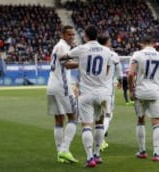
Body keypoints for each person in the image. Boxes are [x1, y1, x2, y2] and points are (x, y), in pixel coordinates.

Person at [61, 25, 112, 168]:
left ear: (85, 36)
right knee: (100, 123)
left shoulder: (82, 48)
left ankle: (90, 158)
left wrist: (77, 63)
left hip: (86, 93)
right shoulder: (107, 51)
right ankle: (97, 154)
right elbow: (107, 70)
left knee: (86, 126)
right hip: (102, 93)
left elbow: (64, 58)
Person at [128, 35, 159, 161]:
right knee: (156, 122)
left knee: (140, 120)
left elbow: (130, 74)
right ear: (153, 44)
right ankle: (156, 154)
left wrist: (131, 90)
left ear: (142, 43)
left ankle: (142, 151)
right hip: (155, 92)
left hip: (141, 91)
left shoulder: (137, 55)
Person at [46, 25, 79, 164]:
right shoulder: (62, 46)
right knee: (74, 117)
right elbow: (66, 64)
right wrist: (82, 63)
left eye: (73, 35)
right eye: (69, 35)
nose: (71, 37)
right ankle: (64, 149)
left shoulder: (58, 46)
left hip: (52, 86)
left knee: (59, 120)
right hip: (62, 87)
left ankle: (60, 153)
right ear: (63, 35)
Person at [97, 34, 123, 152]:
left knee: (97, 116)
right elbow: (119, 71)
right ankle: (101, 139)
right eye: (109, 41)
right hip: (107, 90)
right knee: (108, 115)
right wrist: (120, 81)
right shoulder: (113, 54)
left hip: (94, 89)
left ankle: (98, 136)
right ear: (106, 42)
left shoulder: (94, 53)